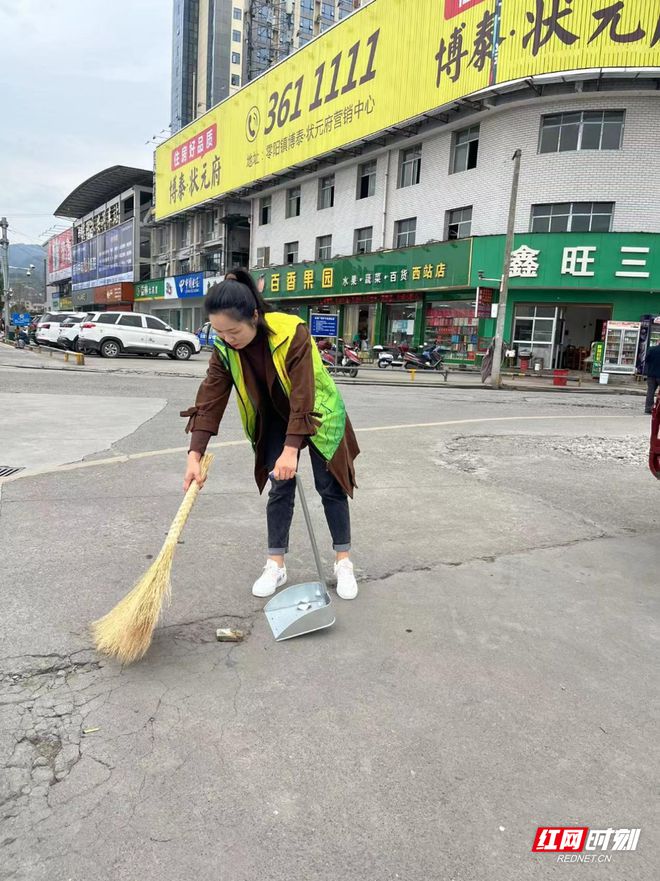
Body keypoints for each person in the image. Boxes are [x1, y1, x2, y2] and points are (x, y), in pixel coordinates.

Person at [181, 269, 360, 599]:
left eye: (233, 331)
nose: (228, 339)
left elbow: (304, 393)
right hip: (275, 417)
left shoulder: (291, 331)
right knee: (281, 487)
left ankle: (343, 561)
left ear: (254, 315)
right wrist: (195, 454)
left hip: (317, 410)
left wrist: (292, 450)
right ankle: (276, 565)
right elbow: (210, 398)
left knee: (330, 486)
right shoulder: (225, 348)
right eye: (219, 332)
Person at [643, 341, 660, 415]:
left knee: (650, 392)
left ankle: (648, 408)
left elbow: (646, 360)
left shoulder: (651, 349)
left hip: (651, 374)